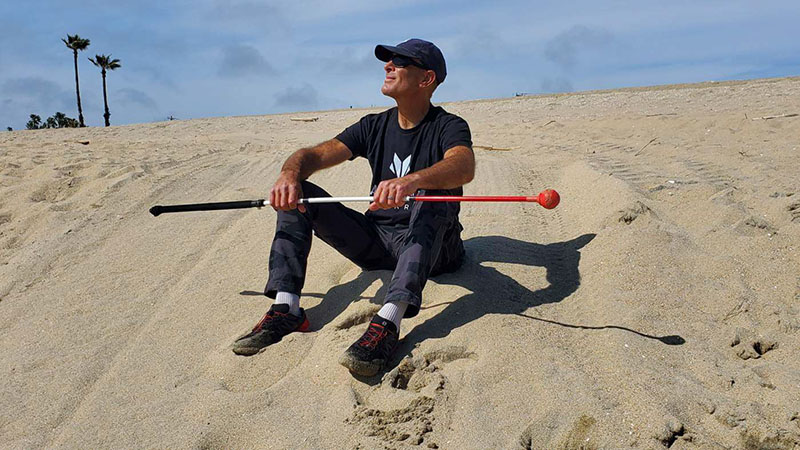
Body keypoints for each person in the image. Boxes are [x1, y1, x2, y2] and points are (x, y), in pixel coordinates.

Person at [232, 38, 475, 377]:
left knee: (436, 194)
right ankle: (287, 307)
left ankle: (389, 321)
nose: (388, 66)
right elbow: (313, 156)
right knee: (299, 192)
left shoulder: (448, 126)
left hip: (438, 255)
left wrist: (414, 181)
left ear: (426, 79)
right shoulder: (373, 125)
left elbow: (464, 167)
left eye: (400, 61)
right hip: (377, 241)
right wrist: (289, 174)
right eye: (388, 60)